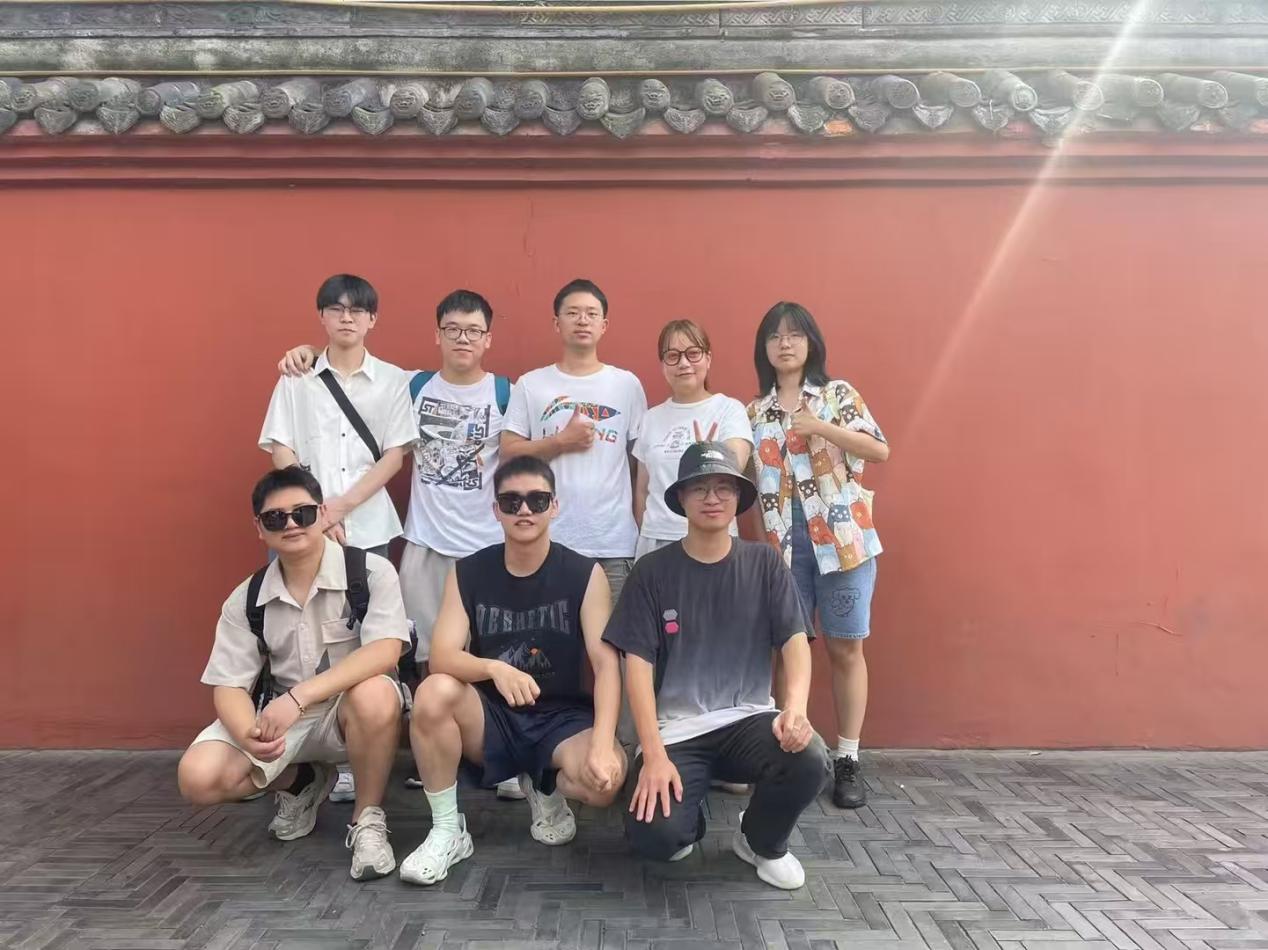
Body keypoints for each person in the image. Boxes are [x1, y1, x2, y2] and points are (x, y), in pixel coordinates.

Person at [277, 289, 524, 801]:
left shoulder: (507, 392)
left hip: (489, 545)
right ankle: (440, 751)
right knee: (425, 655)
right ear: (437, 334)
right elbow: (346, 366)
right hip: (425, 541)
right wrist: (306, 351)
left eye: (473, 330)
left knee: (496, 650)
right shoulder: (410, 386)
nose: (462, 338)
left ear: (488, 338)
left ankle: (503, 757)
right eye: (452, 329)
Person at [603, 442, 828, 890]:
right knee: (656, 837)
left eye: (724, 487)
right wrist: (653, 755)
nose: (712, 498)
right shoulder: (651, 571)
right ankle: (687, 820)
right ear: (681, 499)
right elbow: (637, 667)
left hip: (749, 720)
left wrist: (795, 709)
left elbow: (794, 641)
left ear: (738, 497)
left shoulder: (764, 562)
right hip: (676, 732)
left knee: (810, 757)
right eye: (700, 488)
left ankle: (761, 841)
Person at [398, 455, 627, 885]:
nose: (524, 510)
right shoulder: (468, 571)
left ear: (554, 507)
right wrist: (494, 669)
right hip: (493, 717)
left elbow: (606, 664)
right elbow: (442, 655)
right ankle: (447, 830)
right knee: (433, 692)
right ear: (496, 510)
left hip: (561, 718)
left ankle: (545, 784)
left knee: (606, 783)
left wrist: (601, 743)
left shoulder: (584, 573)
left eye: (537, 500)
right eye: (512, 501)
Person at [176, 466, 411, 881]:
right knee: (198, 777)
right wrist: (248, 733)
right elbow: (228, 685)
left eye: (302, 513)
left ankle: (367, 820)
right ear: (259, 528)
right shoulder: (246, 599)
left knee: (375, 692)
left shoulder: (371, 572)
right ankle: (300, 781)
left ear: (323, 514)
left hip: (348, 714)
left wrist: (300, 696)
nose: (290, 525)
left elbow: (386, 650)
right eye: (275, 518)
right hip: (282, 722)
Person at [747, 301, 889, 810]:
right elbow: (749, 485)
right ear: (763, 348)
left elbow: (878, 450)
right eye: (774, 336)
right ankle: (792, 753)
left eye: (794, 334)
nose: (784, 343)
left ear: (811, 343)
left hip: (844, 546)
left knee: (846, 649)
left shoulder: (837, 395)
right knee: (789, 649)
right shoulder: (754, 412)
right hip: (783, 551)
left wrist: (821, 427)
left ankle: (848, 758)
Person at [500, 278, 647, 602]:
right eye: (573, 313)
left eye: (592, 314)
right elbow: (508, 454)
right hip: (547, 541)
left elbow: (640, 467)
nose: (582, 320)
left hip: (613, 544)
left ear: (604, 325)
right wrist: (560, 442)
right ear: (557, 323)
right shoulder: (532, 384)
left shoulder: (626, 385)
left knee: (611, 634)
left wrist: (641, 529)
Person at [260, 273, 415, 559]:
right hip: (300, 524)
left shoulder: (392, 380)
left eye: (357, 310)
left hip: (369, 527)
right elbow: (281, 448)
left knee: (368, 589)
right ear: (322, 315)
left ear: (372, 319)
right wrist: (316, 509)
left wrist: (339, 508)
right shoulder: (297, 377)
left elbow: (394, 456)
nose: (346, 318)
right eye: (336, 309)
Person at [634, 319, 752, 560]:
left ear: (708, 359)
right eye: (673, 356)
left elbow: (736, 466)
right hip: (656, 541)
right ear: (663, 365)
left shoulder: (728, 409)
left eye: (693, 353)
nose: (684, 363)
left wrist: (707, 455)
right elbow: (642, 491)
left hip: (715, 540)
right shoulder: (651, 418)